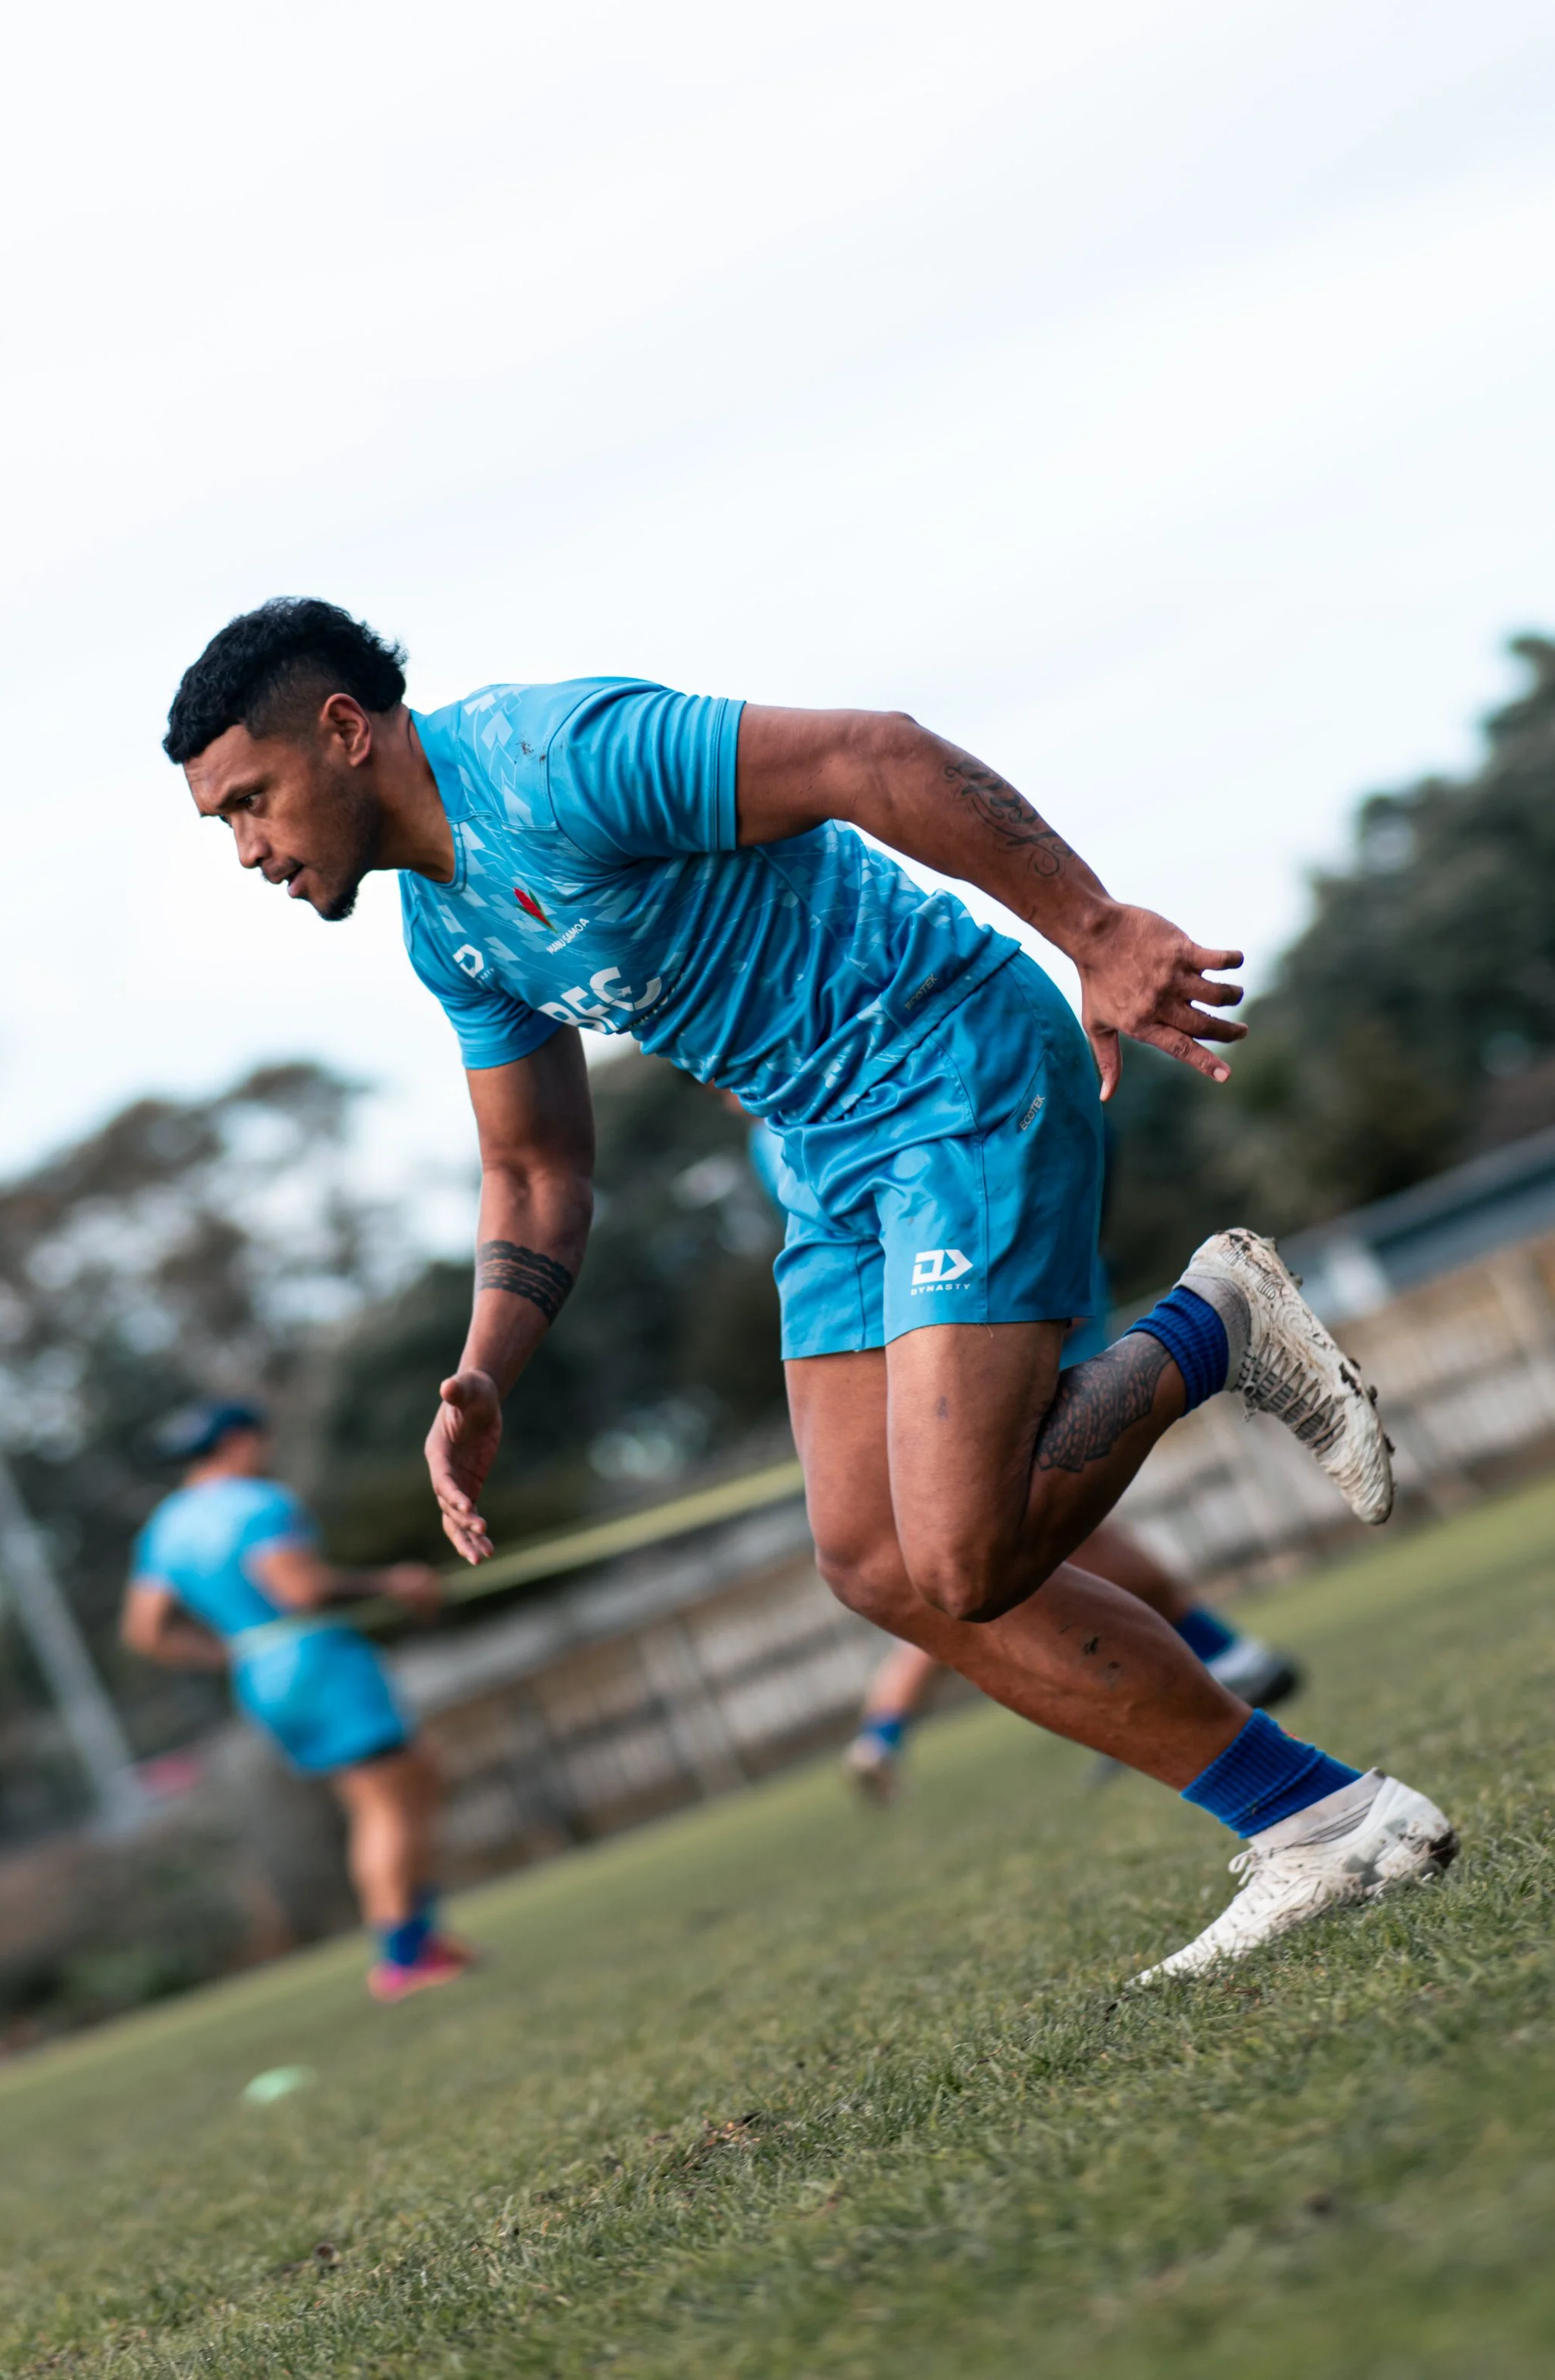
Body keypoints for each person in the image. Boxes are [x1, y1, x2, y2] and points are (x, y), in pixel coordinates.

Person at [163, 599, 1458, 1982]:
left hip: (951, 1066)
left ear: (345, 733)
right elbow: (536, 1168)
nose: (248, 849)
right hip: (823, 1151)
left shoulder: (558, 757)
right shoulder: (446, 931)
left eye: (252, 802)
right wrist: (484, 1374)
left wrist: (1093, 930)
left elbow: (873, 755)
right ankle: (1322, 1820)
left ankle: (1221, 1325)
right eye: (222, 825)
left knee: (964, 1555)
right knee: (878, 1567)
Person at [746, 1120, 1303, 1800]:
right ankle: (1236, 1681)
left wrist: (1064, 1233)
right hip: (907, 1291)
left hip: (972, 1267)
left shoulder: (841, 1067)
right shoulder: (768, 1129)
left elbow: (1084, 1122)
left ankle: (1214, 1321)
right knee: (930, 1554)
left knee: (985, 1532)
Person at [120, 1400, 474, 2001]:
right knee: (384, 1804)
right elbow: (298, 1587)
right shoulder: (260, 1502)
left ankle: (421, 1938)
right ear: (237, 1441)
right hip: (317, 1660)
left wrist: (229, 1651)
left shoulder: (166, 1526)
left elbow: (146, 1631)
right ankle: (401, 1957)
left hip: (260, 1670)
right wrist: (394, 1582)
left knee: (416, 1777)